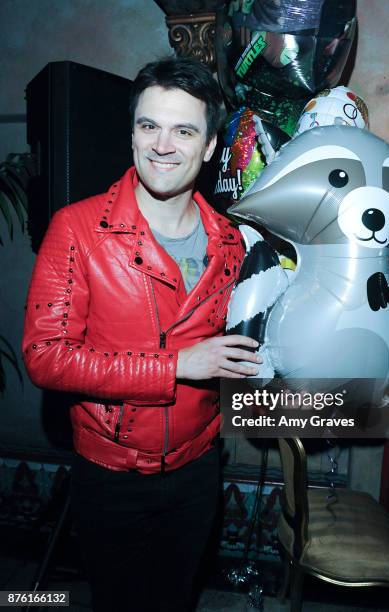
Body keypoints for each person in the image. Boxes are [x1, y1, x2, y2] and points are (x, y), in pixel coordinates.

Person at [22, 56, 262, 612]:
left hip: (200, 468)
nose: (163, 144)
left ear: (208, 148)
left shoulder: (232, 243)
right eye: (149, 125)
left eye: (184, 130)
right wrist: (176, 365)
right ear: (131, 133)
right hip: (110, 472)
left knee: (175, 598)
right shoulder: (78, 228)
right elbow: (44, 358)